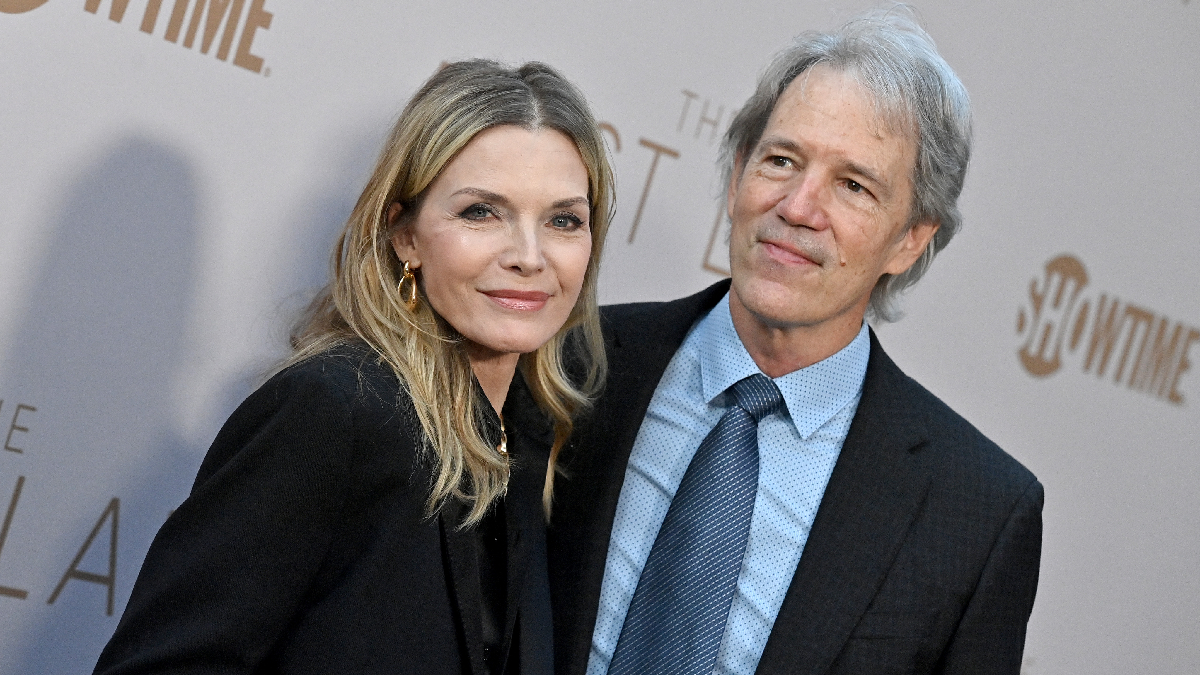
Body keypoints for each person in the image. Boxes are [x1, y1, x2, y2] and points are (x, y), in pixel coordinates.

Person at [548, 10, 1042, 675]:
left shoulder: (975, 511)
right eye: (781, 159)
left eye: (853, 186)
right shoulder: (572, 359)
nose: (799, 207)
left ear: (910, 240)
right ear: (737, 177)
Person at [93, 59, 614, 675]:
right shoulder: (333, 412)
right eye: (481, 212)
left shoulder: (527, 439)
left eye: (563, 220)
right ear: (405, 236)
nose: (529, 256)